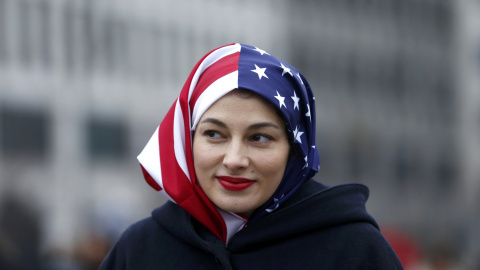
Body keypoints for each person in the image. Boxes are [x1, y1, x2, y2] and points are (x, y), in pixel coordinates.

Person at [100, 43, 403, 269]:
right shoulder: (139, 249)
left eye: (259, 138)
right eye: (214, 134)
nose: (234, 159)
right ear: (187, 141)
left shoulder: (355, 250)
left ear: (294, 151)